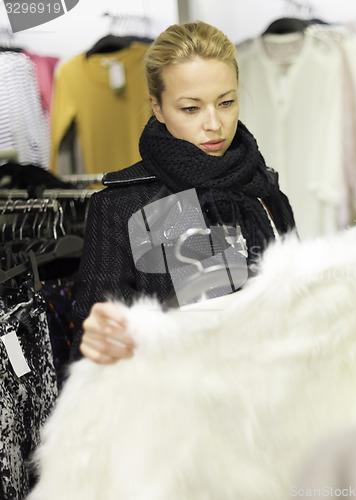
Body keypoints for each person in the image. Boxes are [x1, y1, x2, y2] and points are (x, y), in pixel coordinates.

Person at [71, 21, 296, 365]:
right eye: (191, 108)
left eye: (226, 102)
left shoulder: (262, 187)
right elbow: (96, 357)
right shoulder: (126, 206)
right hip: (183, 405)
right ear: (157, 107)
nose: (214, 124)